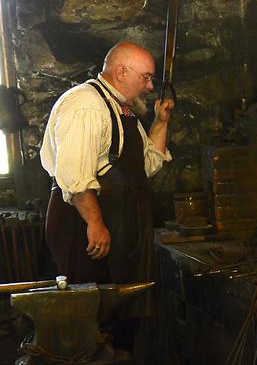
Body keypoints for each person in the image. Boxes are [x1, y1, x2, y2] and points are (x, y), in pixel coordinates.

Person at [40, 41, 173, 344]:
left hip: (119, 224)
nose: (151, 86)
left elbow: (146, 164)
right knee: (90, 315)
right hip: (84, 225)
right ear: (122, 72)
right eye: (147, 78)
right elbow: (75, 177)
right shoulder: (86, 105)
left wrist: (162, 121)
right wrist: (95, 224)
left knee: (120, 316)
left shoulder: (121, 110)